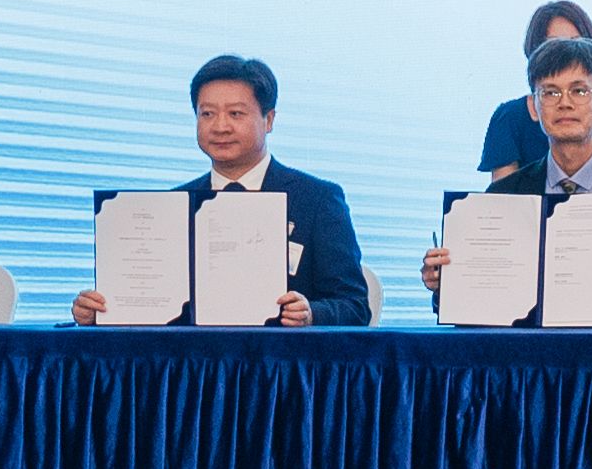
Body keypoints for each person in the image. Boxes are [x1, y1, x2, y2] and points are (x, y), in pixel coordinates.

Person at [69, 54, 372, 325]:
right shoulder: (172, 205)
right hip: (193, 365)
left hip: (280, 364)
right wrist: (102, 312)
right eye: (207, 114)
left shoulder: (317, 199)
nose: (220, 126)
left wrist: (311, 313)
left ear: (268, 120)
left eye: (235, 114)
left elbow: (355, 306)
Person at [425, 34, 592, 324]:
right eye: (550, 92)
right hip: (526, 352)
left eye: (579, 91)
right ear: (533, 107)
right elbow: (476, 312)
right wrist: (446, 286)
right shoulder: (503, 196)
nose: (565, 103)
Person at [476, 2, 592, 178]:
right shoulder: (509, 116)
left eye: (575, 42)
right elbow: (503, 191)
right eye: (554, 44)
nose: (565, 52)